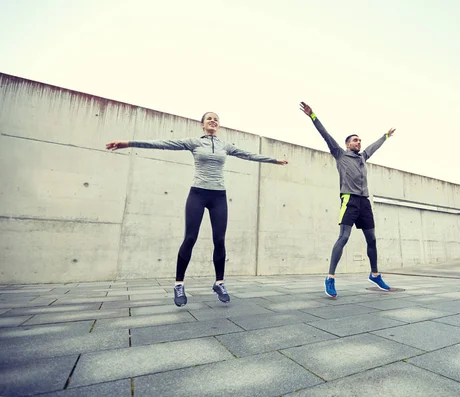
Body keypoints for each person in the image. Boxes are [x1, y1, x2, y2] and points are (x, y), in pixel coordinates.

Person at [106, 112, 288, 306]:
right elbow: (163, 143)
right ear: (202, 124)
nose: (213, 121)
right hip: (198, 194)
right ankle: (179, 284)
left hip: (219, 196)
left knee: (219, 239)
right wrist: (129, 143)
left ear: (218, 126)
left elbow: (249, 155)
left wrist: (273, 160)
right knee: (190, 238)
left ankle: (219, 283)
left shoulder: (225, 146)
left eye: (216, 119)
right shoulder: (194, 142)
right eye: (209, 118)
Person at [299, 101, 395, 298]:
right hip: (349, 200)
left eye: (360, 140)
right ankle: (330, 278)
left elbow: (373, 147)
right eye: (355, 140)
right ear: (347, 144)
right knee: (343, 237)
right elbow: (325, 135)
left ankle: (375, 274)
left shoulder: (363, 157)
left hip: (364, 202)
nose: (359, 143)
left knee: (372, 239)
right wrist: (313, 116)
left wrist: (385, 136)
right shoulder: (340, 154)